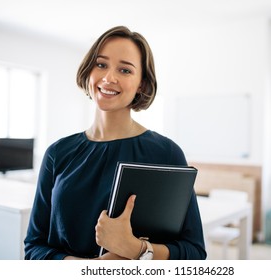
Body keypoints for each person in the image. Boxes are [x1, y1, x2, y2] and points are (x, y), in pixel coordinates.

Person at [24, 26, 206, 260]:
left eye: (125, 70)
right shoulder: (58, 153)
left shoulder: (166, 153)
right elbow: (34, 247)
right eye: (101, 64)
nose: (109, 77)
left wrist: (135, 249)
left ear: (141, 83)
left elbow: (194, 252)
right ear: (89, 69)